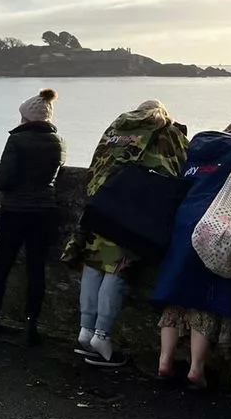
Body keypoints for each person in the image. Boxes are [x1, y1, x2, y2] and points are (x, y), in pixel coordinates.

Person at [63, 99, 189, 368]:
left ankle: (85, 331)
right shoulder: (166, 131)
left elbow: (96, 163)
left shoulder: (116, 128)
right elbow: (179, 169)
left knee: (94, 262)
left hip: (103, 203)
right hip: (134, 209)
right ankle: (102, 336)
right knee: (118, 268)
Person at [152, 120, 231, 389]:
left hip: (183, 223)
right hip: (215, 230)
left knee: (175, 294)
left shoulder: (199, 151)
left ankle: (164, 361)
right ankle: (196, 369)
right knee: (205, 299)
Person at [0, 89, 66, 344]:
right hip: (44, 211)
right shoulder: (59, 142)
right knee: (36, 269)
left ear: (27, 118)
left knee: (2, 265)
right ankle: (31, 324)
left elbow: (3, 179)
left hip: (15, 210)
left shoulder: (17, 141)